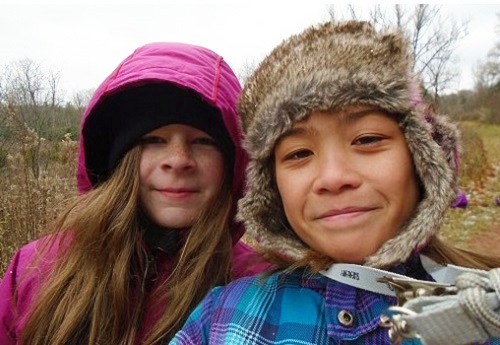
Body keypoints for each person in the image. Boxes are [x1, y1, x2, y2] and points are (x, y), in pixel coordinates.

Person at [171, 21, 500, 344]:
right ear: (271, 190)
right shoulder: (219, 318)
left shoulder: (486, 315)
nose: (333, 178)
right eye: (299, 153)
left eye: (367, 139)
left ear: (422, 159)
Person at [0, 42, 269, 345]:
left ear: (233, 163)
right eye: (154, 139)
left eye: (203, 141)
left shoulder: (264, 287)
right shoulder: (35, 270)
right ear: (120, 159)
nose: (178, 160)